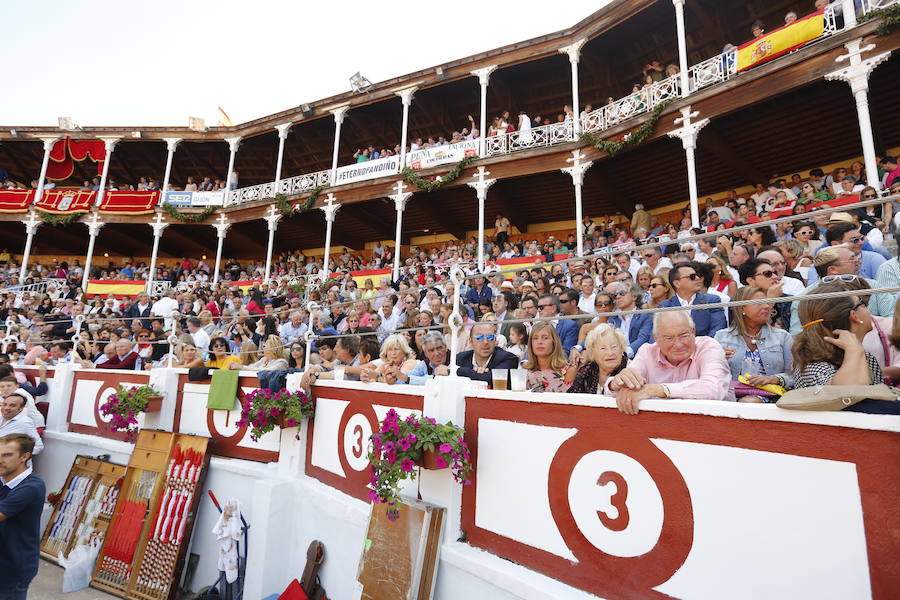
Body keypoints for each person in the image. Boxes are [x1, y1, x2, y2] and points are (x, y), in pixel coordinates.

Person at [792, 282, 900, 414]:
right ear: (854, 315)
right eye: (863, 303)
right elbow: (847, 396)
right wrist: (854, 350)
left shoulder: (864, 357)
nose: (868, 308)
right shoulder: (813, 364)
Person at [606, 311, 734, 414]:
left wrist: (659, 390)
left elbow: (713, 389)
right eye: (669, 338)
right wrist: (616, 384)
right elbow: (625, 388)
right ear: (656, 338)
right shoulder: (647, 352)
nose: (678, 344)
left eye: (684, 335)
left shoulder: (709, 347)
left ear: (693, 332)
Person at [714, 286, 794, 402]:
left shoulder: (783, 337)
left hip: (772, 398)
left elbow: (795, 375)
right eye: (759, 303)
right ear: (742, 309)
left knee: (749, 402)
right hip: (730, 397)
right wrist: (717, 357)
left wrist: (775, 379)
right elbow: (712, 375)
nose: (767, 306)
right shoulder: (721, 337)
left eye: (766, 302)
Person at [0, 434, 46, 600]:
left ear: (25, 456)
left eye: (7, 455)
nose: (0, 460)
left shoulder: (31, 487)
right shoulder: (3, 481)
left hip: (13, 567)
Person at [658, 263, 726, 337]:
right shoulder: (665, 306)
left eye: (697, 275)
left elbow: (718, 330)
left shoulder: (712, 301)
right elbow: (659, 335)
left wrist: (703, 346)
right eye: (692, 277)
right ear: (677, 283)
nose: (697, 278)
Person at [567, 324, 628, 394]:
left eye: (614, 347)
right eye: (603, 348)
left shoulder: (631, 368)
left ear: (622, 349)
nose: (610, 353)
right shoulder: (585, 372)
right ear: (593, 353)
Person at [455, 322, 519, 387]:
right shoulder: (460, 358)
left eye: (490, 337)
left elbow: (490, 380)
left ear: (495, 340)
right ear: (470, 341)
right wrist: (477, 374)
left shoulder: (508, 358)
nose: (485, 342)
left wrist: (457, 370)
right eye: (479, 338)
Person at [522, 321, 576, 392]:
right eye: (535, 338)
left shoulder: (568, 371)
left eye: (545, 338)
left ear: (554, 342)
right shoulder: (525, 371)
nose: (539, 342)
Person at [605, 281, 653, 358]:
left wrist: (625, 353)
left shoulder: (645, 315)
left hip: (637, 357)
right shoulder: (613, 318)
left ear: (634, 297)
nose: (618, 297)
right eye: (616, 295)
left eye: (622, 293)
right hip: (615, 357)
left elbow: (643, 338)